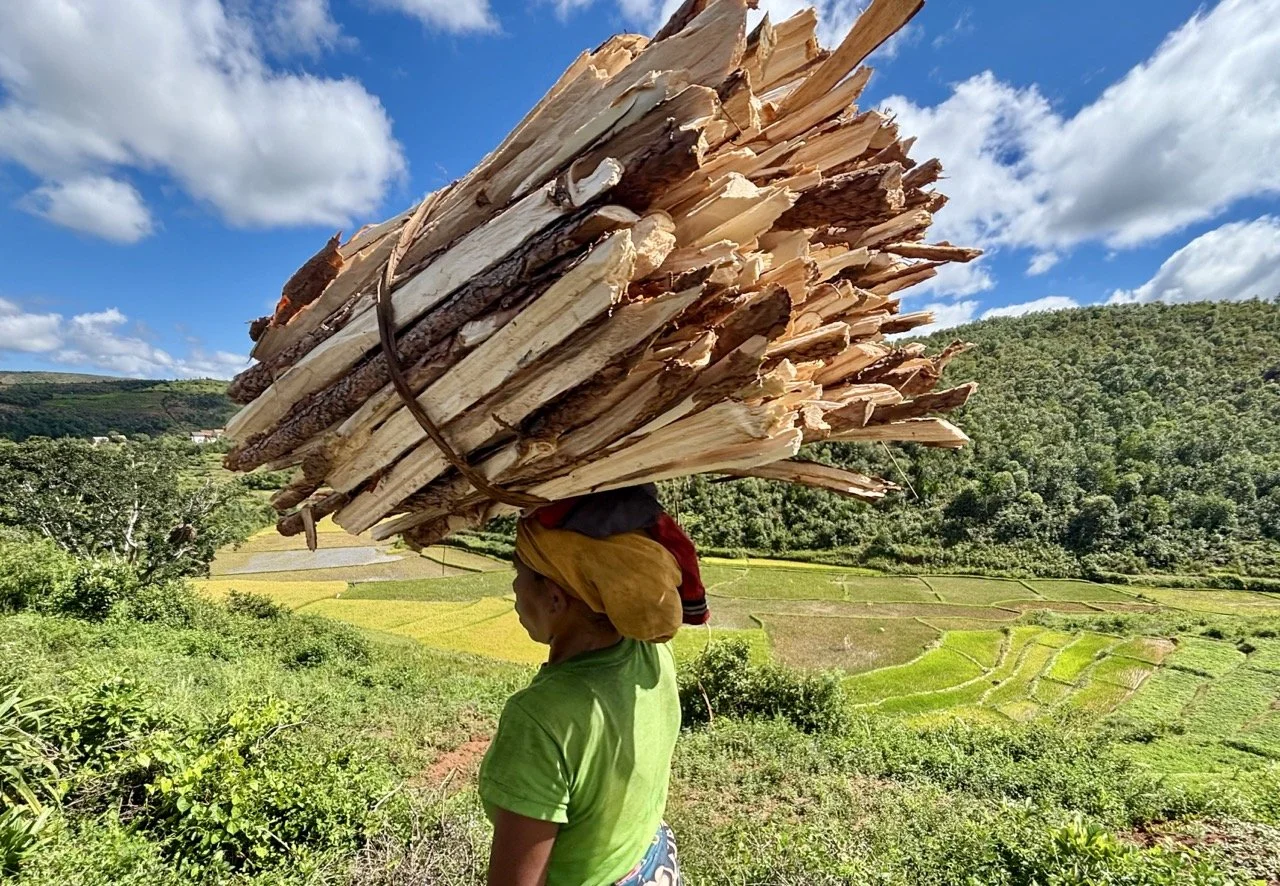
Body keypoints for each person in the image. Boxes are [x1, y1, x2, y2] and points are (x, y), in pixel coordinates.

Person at [478, 485, 709, 886]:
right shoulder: (649, 655)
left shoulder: (540, 718)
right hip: (652, 865)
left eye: (519, 574)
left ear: (554, 598)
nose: (514, 589)